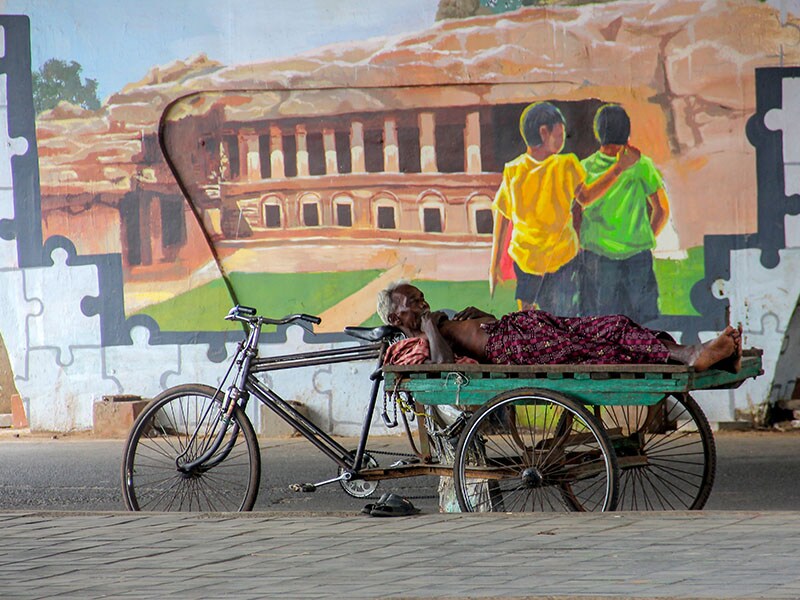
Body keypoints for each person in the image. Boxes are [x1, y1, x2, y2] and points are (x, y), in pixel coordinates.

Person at [378, 282, 742, 372]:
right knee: (602, 349)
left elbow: (475, 329)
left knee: (613, 324)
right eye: (414, 303)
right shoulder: (417, 342)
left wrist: (477, 317)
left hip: (519, 328)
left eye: (422, 298)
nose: (423, 304)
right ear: (395, 318)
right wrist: (430, 326)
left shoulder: (436, 322)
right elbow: (442, 366)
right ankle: (691, 355)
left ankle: (693, 353)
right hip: (512, 348)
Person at [489, 101, 640, 316]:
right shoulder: (549, 167)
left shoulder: (527, 169)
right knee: (537, 320)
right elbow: (586, 197)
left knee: (554, 318)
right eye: (560, 134)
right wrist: (618, 168)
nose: (563, 139)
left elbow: (501, 216)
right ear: (544, 133)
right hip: (538, 260)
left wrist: (494, 265)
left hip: (552, 260)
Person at [578, 104, 671, 324]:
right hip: (637, 257)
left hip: (596, 256)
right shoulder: (642, 165)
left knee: (598, 327)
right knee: (639, 327)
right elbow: (662, 209)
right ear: (627, 132)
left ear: (598, 133)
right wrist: (642, 237)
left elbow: (580, 204)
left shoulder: (585, 167)